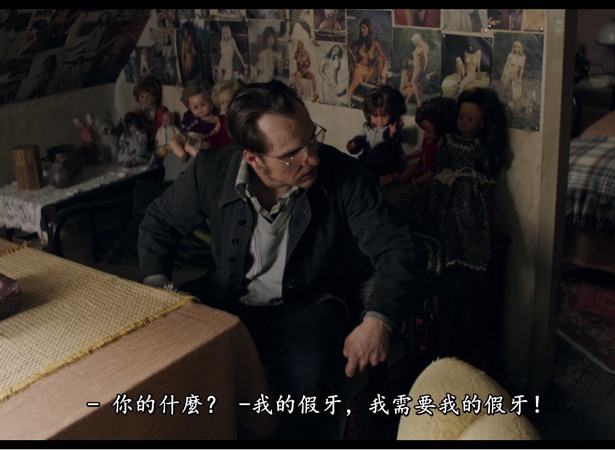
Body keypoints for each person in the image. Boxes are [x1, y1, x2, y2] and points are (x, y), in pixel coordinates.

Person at [137, 79, 425, 440]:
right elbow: (160, 222)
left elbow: (398, 247)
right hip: (225, 300)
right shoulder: (210, 170)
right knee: (163, 368)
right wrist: (158, 288)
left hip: (307, 305)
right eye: (292, 154)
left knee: (306, 384)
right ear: (252, 157)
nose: (312, 158)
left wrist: (378, 320)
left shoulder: (344, 176)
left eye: (312, 139)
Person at [399, 87, 509, 271]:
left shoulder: (479, 146)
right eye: (461, 117)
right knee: (420, 201)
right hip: (446, 181)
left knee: (463, 213)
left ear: (481, 124)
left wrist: (475, 175)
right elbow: (440, 161)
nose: (463, 122)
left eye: (470, 119)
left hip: (467, 187)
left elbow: (485, 166)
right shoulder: (450, 140)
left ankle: (457, 248)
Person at [346, 85, 407, 187]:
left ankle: (385, 178)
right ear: (369, 114)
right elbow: (361, 139)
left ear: (392, 113)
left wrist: (391, 134)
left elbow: (391, 142)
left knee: (379, 169)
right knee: (356, 167)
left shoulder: (390, 129)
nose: (379, 120)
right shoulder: (368, 129)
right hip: (367, 159)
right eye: (375, 116)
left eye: (384, 115)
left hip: (384, 161)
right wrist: (354, 144)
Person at [394, 96, 457, 186]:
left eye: (428, 131)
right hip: (421, 166)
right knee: (411, 168)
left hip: (431, 170)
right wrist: (409, 156)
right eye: (423, 130)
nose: (424, 133)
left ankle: (417, 182)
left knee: (430, 174)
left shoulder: (440, 143)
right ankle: (401, 179)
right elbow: (420, 151)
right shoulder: (426, 140)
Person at [169, 78, 218, 160]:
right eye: (195, 107)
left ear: (211, 102)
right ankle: (182, 155)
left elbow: (216, 129)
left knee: (189, 145)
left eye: (203, 105)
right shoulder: (189, 114)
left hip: (198, 136)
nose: (200, 109)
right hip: (185, 134)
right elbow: (184, 124)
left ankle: (199, 158)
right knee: (173, 141)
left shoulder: (214, 118)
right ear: (189, 107)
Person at [347, 17, 389, 97]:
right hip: (359, 70)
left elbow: (385, 59)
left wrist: (384, 69)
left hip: (368, 73)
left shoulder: (375, 43)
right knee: (351, 88)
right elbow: (348, 48)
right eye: (361, 28)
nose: (362, 30)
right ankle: (346, 104)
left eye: (364, 28)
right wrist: (353, 59)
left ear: (369, 28)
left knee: (380, 59)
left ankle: (382, 82)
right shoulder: (359, 42)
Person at [408, 33, 430, 108]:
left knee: (413, 82)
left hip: (419, 67)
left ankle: (419, 102)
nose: (414, 43)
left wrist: (425, 70)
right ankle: (420, 101)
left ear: (417, 40)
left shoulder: (425, 46)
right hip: (415, 67)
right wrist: (411, 62)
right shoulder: (417, 47)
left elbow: (427, 59)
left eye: (414, 41)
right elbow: (416, 59)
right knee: (418, 83)